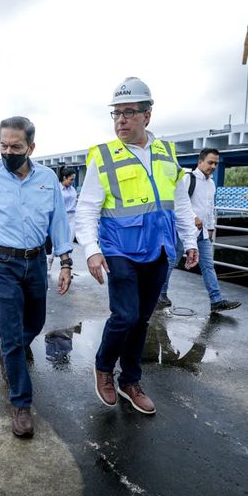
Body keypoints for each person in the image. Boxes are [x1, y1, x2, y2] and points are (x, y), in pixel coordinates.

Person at [76, 77, 199, 415]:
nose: (121, 120)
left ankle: (130, 381)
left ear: (148, 115)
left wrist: (190, 241)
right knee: (125, 315)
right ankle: (104, 367)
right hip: (119, 249)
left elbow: (181, 203)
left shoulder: (167, 153)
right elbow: (86, 208)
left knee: (142, 319)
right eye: (116, 113)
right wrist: (91, 249)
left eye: (129, 113)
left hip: (159, 249)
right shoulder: (103, 156)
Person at [0, 116, 72, 438]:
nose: (8, 152)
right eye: (3, 146)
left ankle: (8, 352)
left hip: (37, 261)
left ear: (31, 147)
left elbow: (59, 223)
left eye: (16, 147)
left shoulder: (48, 179)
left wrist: (65, 263)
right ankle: (21, 404)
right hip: (2, 261)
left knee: (36, 322)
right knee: (11, 332)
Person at [159, 149, 241, 312]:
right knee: (170, 263)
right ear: (200, 162)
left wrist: (210, 228)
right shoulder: (187, 179)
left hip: (202, 233)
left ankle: (216, 301)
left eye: (216, 163)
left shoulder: (211, 184)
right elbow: (178, 204)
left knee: (208, 265)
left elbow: (209, 208)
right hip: (184, 231)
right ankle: (160, 293)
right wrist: (193, 217)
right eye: (210, 162)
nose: (213, 166)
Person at [48, 167, 78, 271]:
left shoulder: (73, 189)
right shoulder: (57, 189)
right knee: (58, 241)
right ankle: (50, 260)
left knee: (69, 243)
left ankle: (67, 268)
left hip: (72, 217)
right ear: (64, 178)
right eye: (71, 179)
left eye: (74, 179)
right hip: (61, 217)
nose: (72, 182)